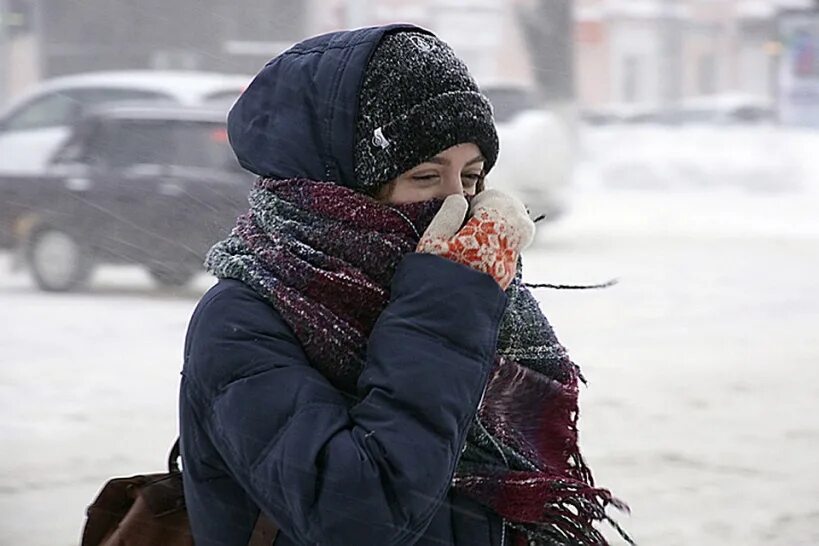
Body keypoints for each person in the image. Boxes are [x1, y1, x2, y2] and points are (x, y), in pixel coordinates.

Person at [179, 23, 630, 546]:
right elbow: (360, 516)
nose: (457, 205)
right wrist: (448, 300)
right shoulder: (244, 321)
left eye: (471, 177)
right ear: (336, 186)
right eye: (424, 177)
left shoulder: (469, 298)